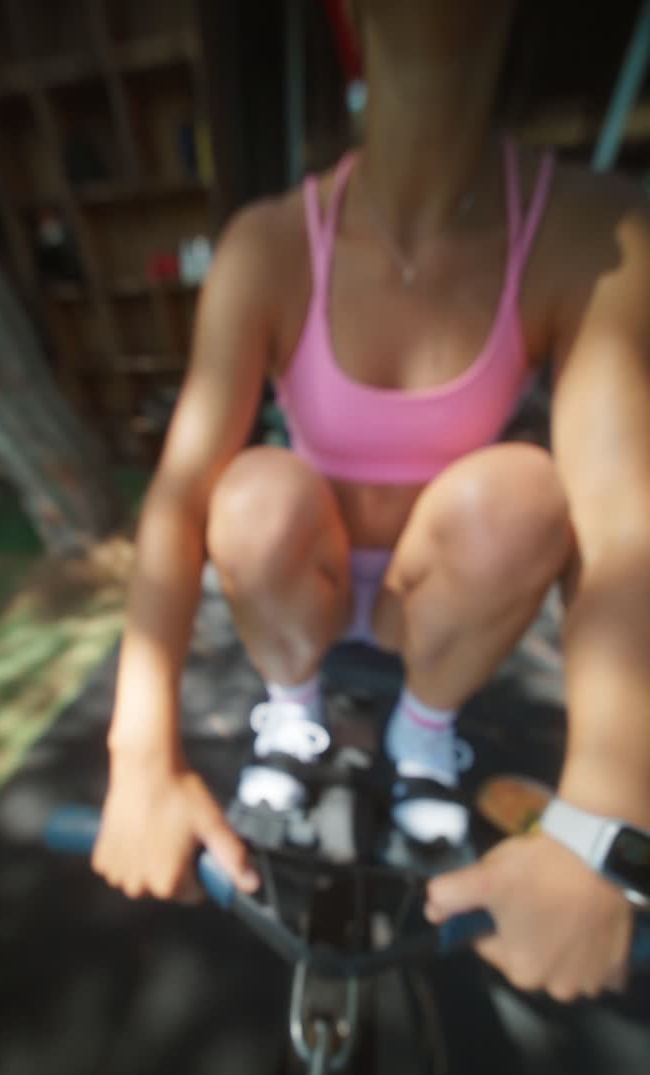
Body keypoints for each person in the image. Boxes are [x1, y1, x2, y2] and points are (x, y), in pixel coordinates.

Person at [93, 0, 650, 1003]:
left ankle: (423, 731)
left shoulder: (590, 231)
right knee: (251, 489)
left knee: (526, 494)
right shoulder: (266, 244)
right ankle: (293, 710)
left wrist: (603, 823)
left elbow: (624, 527)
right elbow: (178, 501)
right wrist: (139, 756)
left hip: (436, 597)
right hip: (296, 588)